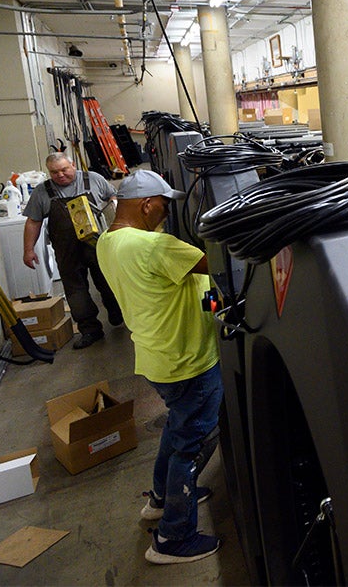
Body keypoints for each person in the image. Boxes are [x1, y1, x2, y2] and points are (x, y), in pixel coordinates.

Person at [97, 170, 222, 565]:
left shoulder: (107, 241)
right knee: (193, 443)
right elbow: (218, 264)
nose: (166, 215)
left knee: (175, 427)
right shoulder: (155, 246)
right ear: (147, 204)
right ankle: (173, 536)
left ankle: (159, 498)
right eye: (164, 207)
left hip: (156, 357)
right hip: (188, 359)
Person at [22, 152, 122, 349]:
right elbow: (33, 221)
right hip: (67, 248)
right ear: (48, 172)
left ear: (73, 165)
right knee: (75, 290)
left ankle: (116, 309)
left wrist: (114, 206)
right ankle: (90, 329)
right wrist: (28, 250)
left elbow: (113, 195)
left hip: (97, 243)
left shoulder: (93, 179)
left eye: (64, 170)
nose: (60, 175)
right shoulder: (43, 191)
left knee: (108, 278)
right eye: (54, 172)